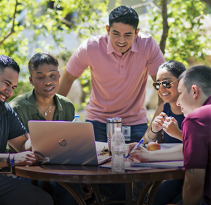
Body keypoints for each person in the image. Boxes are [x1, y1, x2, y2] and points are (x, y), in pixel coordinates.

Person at [10, 52, 124, 205]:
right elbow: (22, 150)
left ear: (58, 75)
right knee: (66, 188)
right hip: (30, 171)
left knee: (113, 185)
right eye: (40, 77)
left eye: (52, 75)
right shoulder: (17, 107)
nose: (48, 81)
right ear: (31, 80)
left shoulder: (67, 106)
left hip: (63, 168)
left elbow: (69, 146)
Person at [57, 5, 165, 143]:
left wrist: (155, 125)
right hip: (97, 121)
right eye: (116, 34)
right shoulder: (90, 47)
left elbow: (164, 86)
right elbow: (67, 79)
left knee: (138, 162)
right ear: (107, 30)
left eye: (128, 35)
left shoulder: (148, 45)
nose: (121, 40)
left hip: (135, 122)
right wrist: (56, 121)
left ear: (136, 32)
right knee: (94, 163)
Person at [128, 65, 211, 205]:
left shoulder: (197, 118)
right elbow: (192, 148)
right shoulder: (165, 108)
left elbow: (194, 186)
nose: (179, 102)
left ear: (194, 91)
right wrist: (148, 155)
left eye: (180, 92)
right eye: (157, 84)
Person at [0, 55, 54, 205]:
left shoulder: (5, 110)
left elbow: (22, 144)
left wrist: (46, 139)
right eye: (6, 84)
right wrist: (12, 159)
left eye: (13, 87)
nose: (9, 92)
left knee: (43, 200)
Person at [142, 60, 186, 145]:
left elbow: (203, 144)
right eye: (157, 84)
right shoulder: (164, 108)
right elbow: (143, 142)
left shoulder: (195, 108)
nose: (161, 89)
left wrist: (177, 133)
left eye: (166, 83)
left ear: (181, 81)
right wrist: (153, 131)